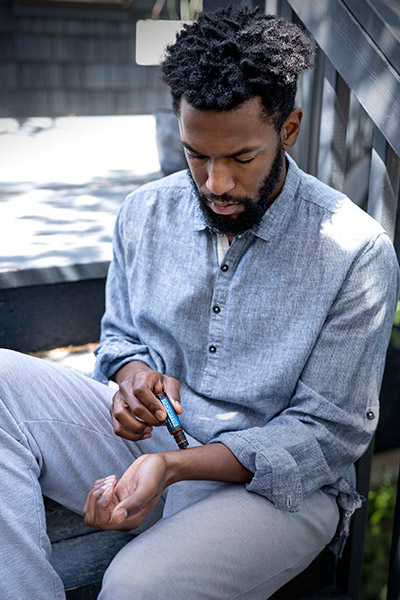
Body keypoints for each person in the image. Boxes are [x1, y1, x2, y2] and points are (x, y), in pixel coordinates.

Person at [0, 6, 399, 600]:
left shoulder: (357, 251)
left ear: (288, 130)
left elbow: (328, 435)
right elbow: (118, 339)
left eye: (241, 158)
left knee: (136, 584)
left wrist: (177, 468)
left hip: (275, 488)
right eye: (196, 154)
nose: (215, 184)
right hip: (157, 446)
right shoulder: (143, 211)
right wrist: (133, 374)